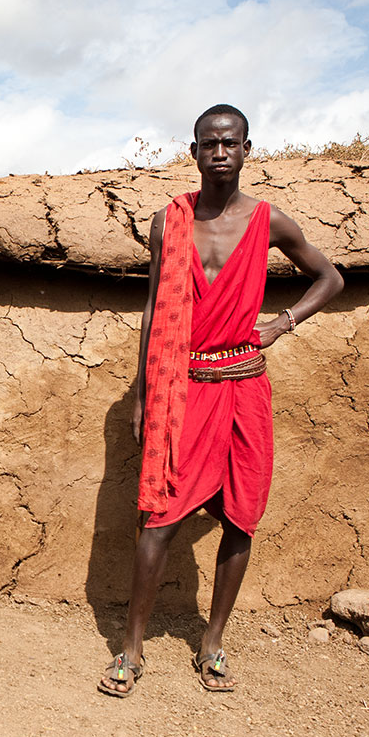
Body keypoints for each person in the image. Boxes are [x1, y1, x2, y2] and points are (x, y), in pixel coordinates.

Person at [99, 104, 344, 696]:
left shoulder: (270, 221)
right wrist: (143, 390)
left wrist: (281, 323)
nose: (220, 152)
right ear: (194, 152)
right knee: (160, 519)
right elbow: (156, 307)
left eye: (230, 143)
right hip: (183, 390)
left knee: (240, 517)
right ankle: (131, 650)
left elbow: (330, 279)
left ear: (246, 148)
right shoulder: (171, 221)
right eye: (209, 143)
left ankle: (212, 643)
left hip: (245, 388)